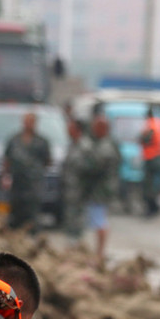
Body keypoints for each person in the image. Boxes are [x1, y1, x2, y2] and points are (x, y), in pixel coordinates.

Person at [2, 112, 51, 232]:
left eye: (31, 121)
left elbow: (47, 161)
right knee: (15, 213)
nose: (28, 124)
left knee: (33, 214)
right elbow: (7, 160)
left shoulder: (42, 142)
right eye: (26, 121)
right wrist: (5, 176)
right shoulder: (14, 140)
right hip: (18, 183)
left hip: (34, 185)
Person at [85, 114, 121, 266]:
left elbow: (95, 166)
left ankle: (100, 253)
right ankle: (99, 253)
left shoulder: (106, 146)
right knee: (97, 220)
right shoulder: (104, 143)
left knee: (99, 221)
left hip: (101, 190)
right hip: (100, 189)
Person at [60, 117, 92, 241]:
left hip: (80, 191)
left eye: (70, 128)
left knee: (78, 219)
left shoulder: (85, 147)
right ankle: (72, 242)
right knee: (70, 217)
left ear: (77, 129)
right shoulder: (72, 145)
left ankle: (78, 243)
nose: (68, 130)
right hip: (70, 190)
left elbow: (91, 170)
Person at [140, 107, 160, 217]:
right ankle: (155, 206)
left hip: (151, 157)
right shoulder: (159, 123)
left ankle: (152, 208)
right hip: (159, 155)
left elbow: (146, 139)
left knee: (148, 185)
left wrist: (141, 137)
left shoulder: (150, 125)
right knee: (156, 183)